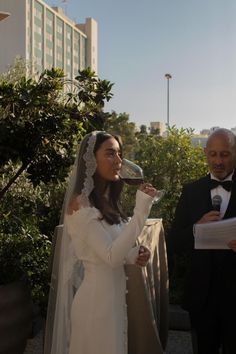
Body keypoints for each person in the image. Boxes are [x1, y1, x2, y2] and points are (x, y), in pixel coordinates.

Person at [44, 130, 159, 354]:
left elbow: (117, 251)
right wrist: (141, 211)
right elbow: (110, 257)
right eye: (110, 154)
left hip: (113, 303)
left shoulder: (106, 201)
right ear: (90, 160)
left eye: (119, 154)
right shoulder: (80, 205)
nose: (118, 161)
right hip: (95, 306)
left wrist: (135, 253)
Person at [169, 128, 236, 354]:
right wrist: (196, 228)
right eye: (213, 154)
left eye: (225, 154)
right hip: (202, 297)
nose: (218, 161)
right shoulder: (191, 191)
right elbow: (174, 241)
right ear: (205, 153)